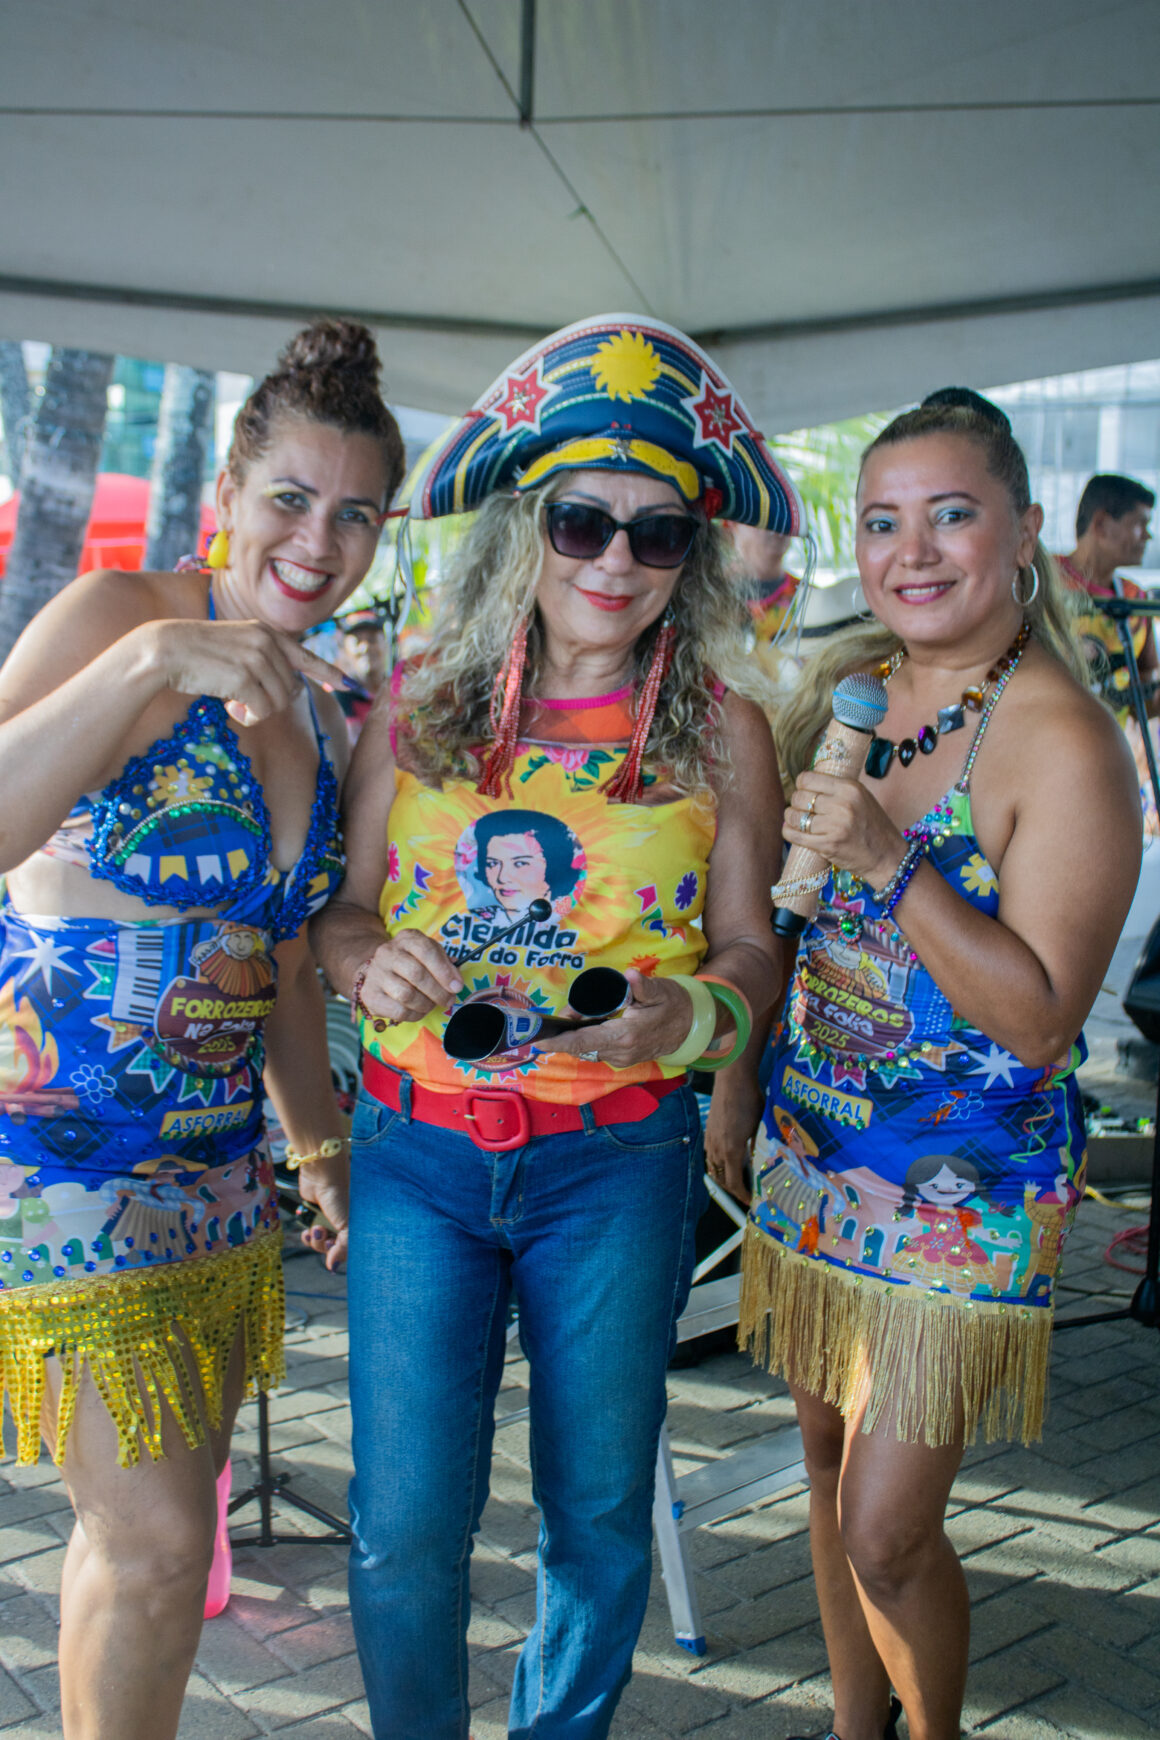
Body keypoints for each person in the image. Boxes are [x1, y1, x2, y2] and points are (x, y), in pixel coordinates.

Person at [310, 313, 795, 1739]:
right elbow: (341, 913)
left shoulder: (723, 731)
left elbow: (752, 950)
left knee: (594, 1516)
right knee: (404, 1523)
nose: (613, 561)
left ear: (691, 558)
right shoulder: (417, 706)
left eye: (658, 535)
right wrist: (366, 967)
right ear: (525, 527)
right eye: (581, 521)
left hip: (615, 1165)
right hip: (418, 1159)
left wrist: (690, 1014)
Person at [714, 389, 1141, 1740]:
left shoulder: (1064, 742)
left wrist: (891, 861)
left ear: (1022, 532)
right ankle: (857, 1727)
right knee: (824, 1464)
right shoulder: (849, 695)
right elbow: (784, 928)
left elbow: (1041, 1021)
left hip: (963, 1192)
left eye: (951, 515)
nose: (913, 551)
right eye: (882, 520)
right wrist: (735, 1079)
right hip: (815, 1152)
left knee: (887, 1529)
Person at [0, 319, 404, 1740]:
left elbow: (285, 963)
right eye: (291, 498)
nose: (319, 539)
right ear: (226, 494)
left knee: (144, 1552)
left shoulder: (320, 711)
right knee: (163, 1544)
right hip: (62, 1163)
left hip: (219, 1176)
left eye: (356, 514)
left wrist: (321, 1155)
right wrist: (153, 659)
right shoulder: (119, 614)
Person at [1057, 472, 1156, 718]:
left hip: (1108, 739)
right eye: (1140, 524)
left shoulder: (1136, 599)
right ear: (1100, 523)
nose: (1148, 536)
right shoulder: (1040, 581)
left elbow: (1145, 702)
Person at [336, 604, 389, 740]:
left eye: (372, 640)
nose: (365, 647)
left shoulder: (402, 690)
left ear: (385, 644)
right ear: (345, 650)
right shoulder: (338, 699)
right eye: (357, 641)